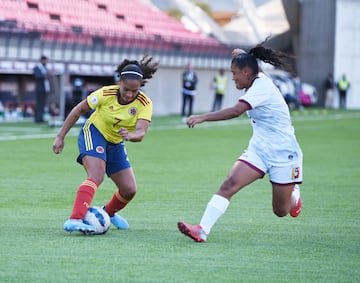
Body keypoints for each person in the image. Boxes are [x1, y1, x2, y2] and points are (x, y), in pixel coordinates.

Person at [177, 41, 303, 243]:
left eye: (235, 73)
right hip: (259, 149)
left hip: (283, 153)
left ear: (246, 72)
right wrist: (240, 53)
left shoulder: (261, 87)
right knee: (230, 183)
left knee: (281, 210)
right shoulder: (255, 74)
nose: (232, 77)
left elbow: (236, 111)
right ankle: (202, 230)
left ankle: (294, 196)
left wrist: (203, 117)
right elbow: (252, 63)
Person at [52, 55, 159, 234]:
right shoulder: (105, 94)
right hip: (94, 133)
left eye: (135, 91)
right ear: (119, 81)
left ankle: (107, 213)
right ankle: (75, 219)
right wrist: (60, 136)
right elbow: (78, 110)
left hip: (116, 142)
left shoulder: (144, 104)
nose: (129, 94)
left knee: (129, 190)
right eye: (126, 89)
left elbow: (141, 132)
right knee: (96, 175)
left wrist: (131, 135)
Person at [33, 55, 51, 123]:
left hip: (44, 88)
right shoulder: (37, 67)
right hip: (39, 88)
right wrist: (46, 75)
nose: (46, 62)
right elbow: (37, 76)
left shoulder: (45, 68)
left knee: (43, 104)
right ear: (42, 60)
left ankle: (41, 118)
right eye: (45, 60)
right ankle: (38, 118)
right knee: (39, 104)